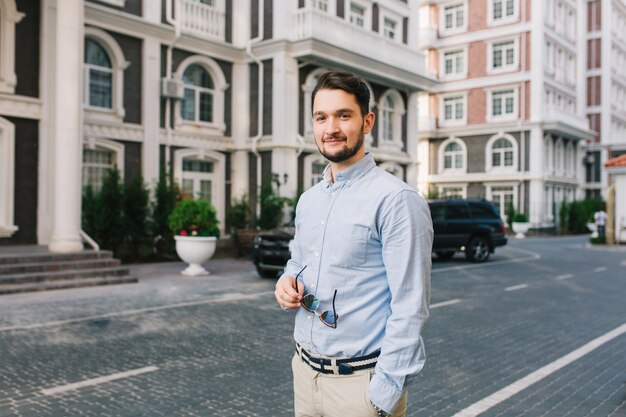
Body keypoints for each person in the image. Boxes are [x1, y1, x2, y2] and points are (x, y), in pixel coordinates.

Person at [274, 71, 433, 417]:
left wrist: (383, 393)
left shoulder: (396, 200)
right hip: (305, 375)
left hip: (360, 388)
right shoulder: (308, 200)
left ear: (367, 121)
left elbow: (411, 305)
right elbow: (297, 263)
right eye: (321, 117)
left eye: (343, 115)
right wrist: (285, 283)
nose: (330, 127)